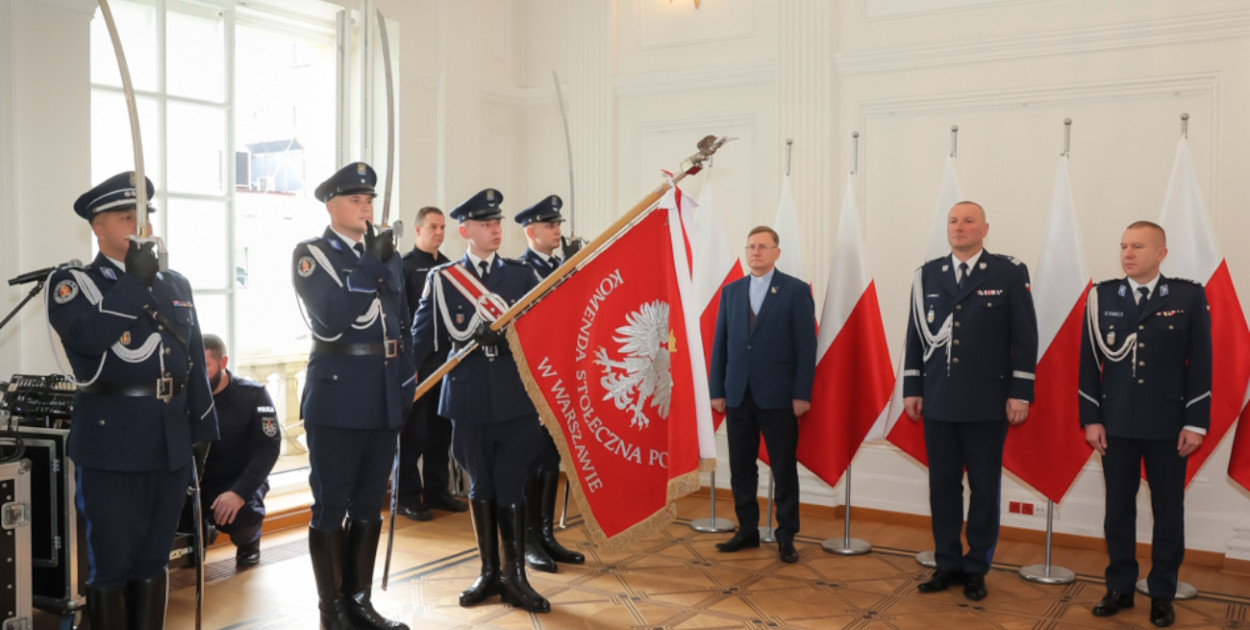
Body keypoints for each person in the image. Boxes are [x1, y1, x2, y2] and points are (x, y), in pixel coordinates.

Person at [46, 171, 219, 630]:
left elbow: (193, 365)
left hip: (170, 443)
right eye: (126, 217)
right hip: (113, 446)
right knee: (111, 567)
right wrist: (134, 284)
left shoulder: (174, 284)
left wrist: (202, 432)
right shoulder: (72, 284)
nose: (139, 226)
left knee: (153, 561)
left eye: (144, 216)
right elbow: (87, 339)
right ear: (97, 228)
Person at [411, 188, 550, 613]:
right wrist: (396, 387)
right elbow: (421, 339)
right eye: (486, 224)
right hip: (468, 403)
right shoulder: (443, 279)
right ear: (464, 230)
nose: (495, 230)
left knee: (510, 484)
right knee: (481, 486)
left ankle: (516, 577)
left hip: (514, 404)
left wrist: (507, 336)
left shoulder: (521, 275)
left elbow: (542, 334)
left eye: (498, 223)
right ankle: (489, 572)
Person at [292, 162, 413, 630]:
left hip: (383, 395)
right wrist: (371, 263)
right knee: (331, 504)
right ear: (332, 206)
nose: (366, 207)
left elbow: (400, 325)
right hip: (338, 399)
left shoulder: (386, 256)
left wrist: (406, 385)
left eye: (369, 200)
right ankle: (332, 611)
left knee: (368, 504)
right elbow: (332, 318)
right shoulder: (312, 254)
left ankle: (359, 603)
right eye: (356, 200)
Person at [902, 201, 1037, 602]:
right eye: (953, 221)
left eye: (968, 221)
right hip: (939, 399)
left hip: (987, 401)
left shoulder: (1008, 272)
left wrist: (1020, 391)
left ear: (984, 229)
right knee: (942, 488)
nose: (959, 227)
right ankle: (947, 563)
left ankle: (977, 566)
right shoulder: (927, 274)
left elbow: (1025, 335)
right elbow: (915, 334)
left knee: (983, 489)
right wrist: (913, 386)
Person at [1079, 221, 1210, 628]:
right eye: (1123, 246)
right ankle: (1119, 586)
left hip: (1169, 425)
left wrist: (1196, 423)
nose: (1128, 254)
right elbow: (1089, 365)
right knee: (1117, 509)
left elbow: (1201, 366)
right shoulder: (1101, 297)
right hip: (1115, 422)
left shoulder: (1188, 296)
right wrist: (1091, 418)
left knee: (1167, 511)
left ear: (1161, 254)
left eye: (1137, 246)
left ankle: (1162, 592)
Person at [708, 226, 816, 564]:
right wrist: (717, 390)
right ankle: (747, 531)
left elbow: (806, 346)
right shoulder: (731, 292)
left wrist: (801, 393)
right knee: (741, 467)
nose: (756, 252)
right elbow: (720, 345)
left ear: (776, 253)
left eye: (763, 247)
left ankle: (786, 536)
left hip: (780, 397)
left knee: (783, 468)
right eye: (751, 246)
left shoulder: (796, 291)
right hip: (738, 394)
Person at [513, 195, 585, 572]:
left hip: (563, 375)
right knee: (531, 461)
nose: (557, 230)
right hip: (537, 377)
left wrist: (575, 269)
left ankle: (545, 534)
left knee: (550, 459)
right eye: (549, 225)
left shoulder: (563, 267)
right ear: (531, 231)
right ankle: (527, 540)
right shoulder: (521, 271)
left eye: (558, 224)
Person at [397, 206, 465, 521]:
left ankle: (438, 491)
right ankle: (408, 496)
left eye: (442, 228)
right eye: (432, 227)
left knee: (441, 433)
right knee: (414, 435)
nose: (438, 232)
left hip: (445, 364)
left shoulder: (451, 268)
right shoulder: (404, 267)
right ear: (418, 230)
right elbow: (400, 319)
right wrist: (406, 363)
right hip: (416, 364)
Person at [200, 334, 281, 568]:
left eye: (206, 366)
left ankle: (249, 542)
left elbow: (269, 447)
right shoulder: (186, 396)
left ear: (223, 363)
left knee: (244, 516)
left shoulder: (253, 395)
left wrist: (239, 492)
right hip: (199, 481)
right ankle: (199, 535)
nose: (199, 375)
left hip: (238, 480)